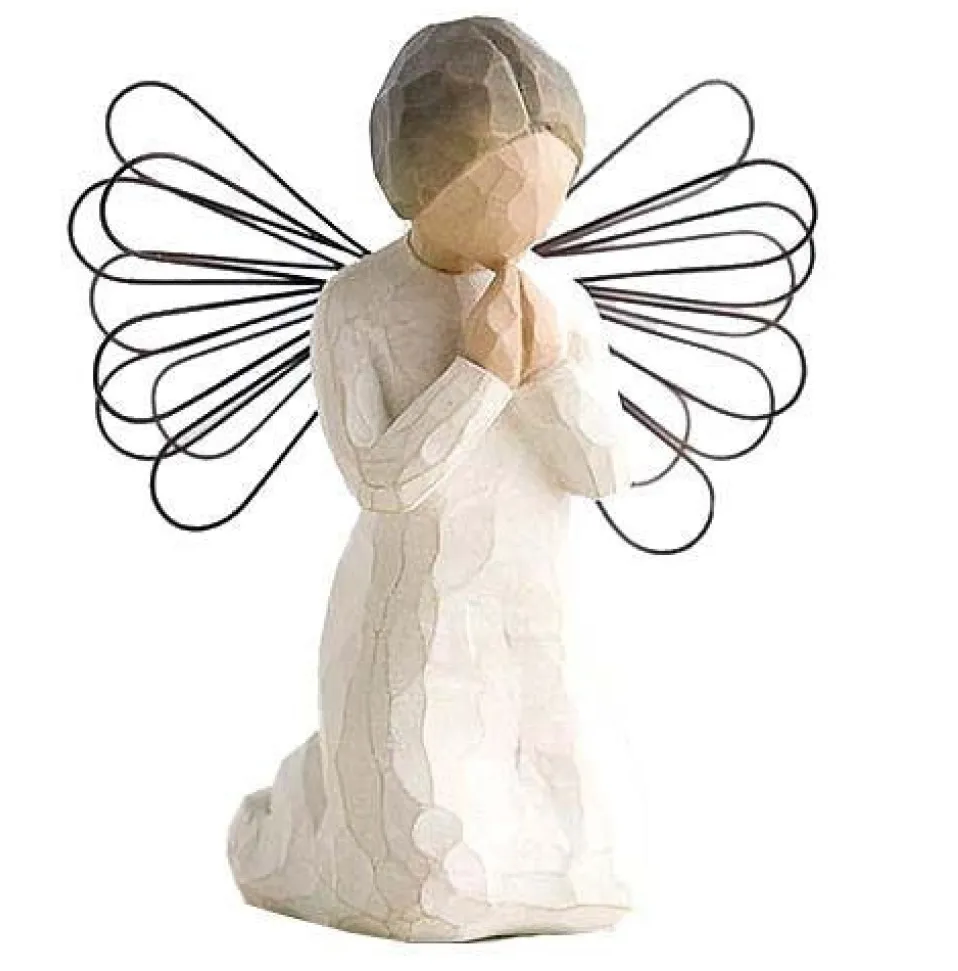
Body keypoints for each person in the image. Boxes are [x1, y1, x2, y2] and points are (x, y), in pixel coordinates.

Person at [228, 16, 635, 941]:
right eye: (495, 198)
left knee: (593, 868)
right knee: (426, 882)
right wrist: (480, 375)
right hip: (412, 632)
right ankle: (304, 815)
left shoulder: (562, 305)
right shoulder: (359, 306)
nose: (522, 230)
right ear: (418, 184)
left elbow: (607, 470)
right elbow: (381, 480)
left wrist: (550, 374)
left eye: (545, 201)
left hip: (536, 626)